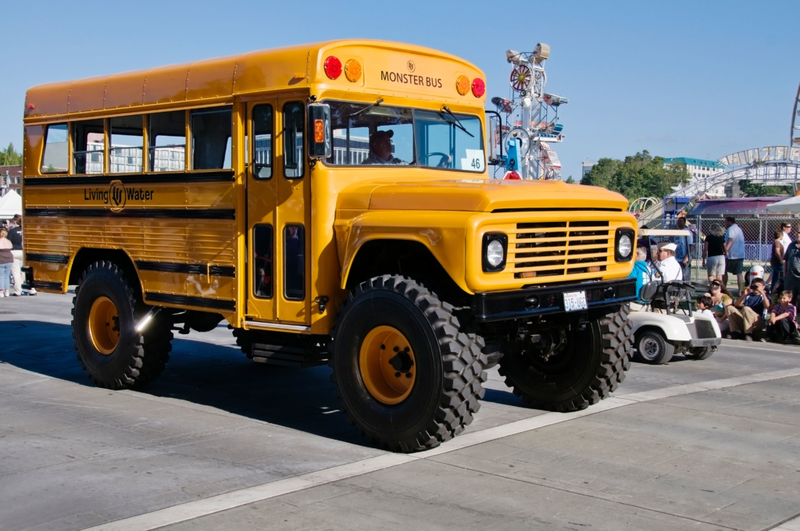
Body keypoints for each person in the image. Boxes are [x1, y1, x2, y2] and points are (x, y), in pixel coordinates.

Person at [7, 215, 36, 296]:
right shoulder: (25, 230)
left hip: (14, 251)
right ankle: (31, 288)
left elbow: (8, 243)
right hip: (24, 251)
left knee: (16, 272)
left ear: (15, 221)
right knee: (25, 272)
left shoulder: (12, 231)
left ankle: (18, 290)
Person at [723, 216, 746, 294]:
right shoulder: (739, 229)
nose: (725, 224)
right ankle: (741, 291)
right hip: (740, 255)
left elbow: (730, 239)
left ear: (730, 222)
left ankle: (724, 289)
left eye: (726, 222)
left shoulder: (731, 229)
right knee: (739, 274)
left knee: (724, 271)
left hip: (731, 255)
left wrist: (725, 249)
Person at [673, 216, 694, 281]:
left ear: (684, 222)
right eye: (678, 221)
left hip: (684, 257)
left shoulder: (687, 232)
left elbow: (690, 245)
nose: (679, 222)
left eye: (681, 221)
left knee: (685, 276)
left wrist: (686, 257)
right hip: (676, 257)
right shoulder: (676, 232)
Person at [784, 226, 800, 305]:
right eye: (797, 233)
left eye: (799, 233)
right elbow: (786, 260)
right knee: (789, 299)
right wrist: (785, 274)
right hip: (790, 278)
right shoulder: (791, 245)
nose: (798, 235)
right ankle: (790, 315)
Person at [769, 230, 785, 294]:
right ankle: (777, 290)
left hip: (775, 263)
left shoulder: (775, 242)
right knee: (781, 276)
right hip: (778, 263)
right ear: (780, 235)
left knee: (775, 277)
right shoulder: (777, 242)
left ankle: (773, 290)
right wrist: (781, 260)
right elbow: (777, 251)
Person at [0, 227, 12, 297]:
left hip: (1, 259)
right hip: (9, 259)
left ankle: (1, 291)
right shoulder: (8, 241)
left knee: (1, 275)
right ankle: (7, 291)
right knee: (7, 276)